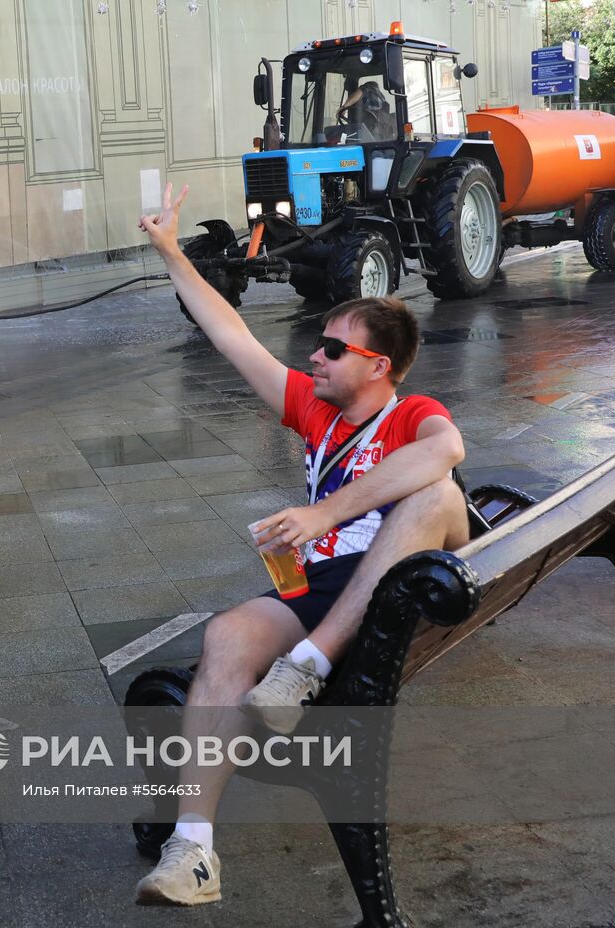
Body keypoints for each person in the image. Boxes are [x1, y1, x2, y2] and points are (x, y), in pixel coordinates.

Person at [132, 182, 470, 907]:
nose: (313, 356)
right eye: (318, 344)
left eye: (333, 348)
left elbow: (447, 453)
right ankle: (192, 850)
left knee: (434, 493)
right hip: (324, 587)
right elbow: (232, 335)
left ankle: (307, 665)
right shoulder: (316, 412)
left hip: (400, 578)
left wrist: (328, 515)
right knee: (227, 635)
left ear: (378, 365)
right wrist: (169, 253)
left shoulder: (412, 412)